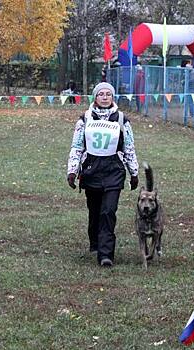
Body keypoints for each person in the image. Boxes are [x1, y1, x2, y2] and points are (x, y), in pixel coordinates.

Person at [67, 82, 139, 267]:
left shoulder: (122, 119)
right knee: (95, 211)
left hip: (114, 170)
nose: (105, 97)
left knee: (108, 212)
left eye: (108, 94)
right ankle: (95, 241)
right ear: (95, 97)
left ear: (113, 97)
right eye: (101, 94)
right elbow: (77, 147)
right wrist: (72, 171)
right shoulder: (84, 119)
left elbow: (129, 147)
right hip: (91, 170)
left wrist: (134, 172)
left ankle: (106, 254)